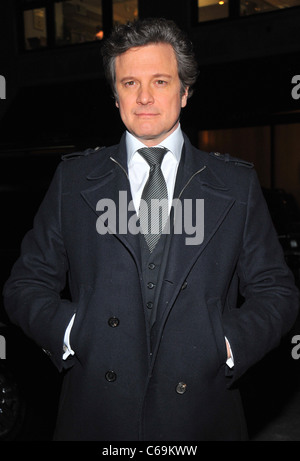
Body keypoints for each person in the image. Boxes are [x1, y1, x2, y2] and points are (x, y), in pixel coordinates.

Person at [3, 18, 299, 441]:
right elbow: (24, 285)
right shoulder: (74, 181)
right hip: (95, 414)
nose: (144, 97)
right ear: (115, 95)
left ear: (185, 91)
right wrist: (73, 331)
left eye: (160, 81)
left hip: (201, 415)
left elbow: (277, 291)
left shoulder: (235, 185)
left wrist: (227, 342)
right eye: (129, 83)